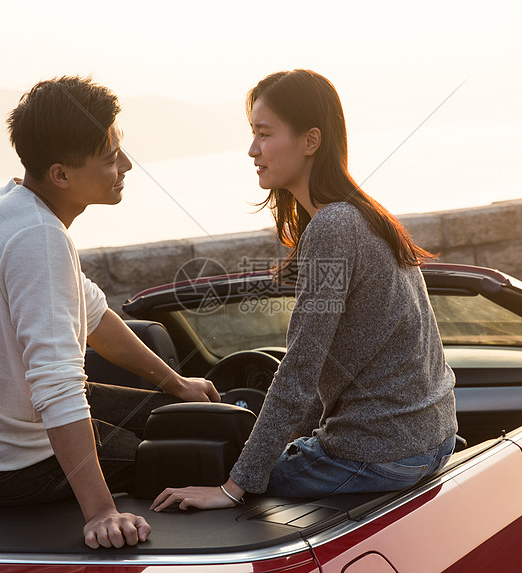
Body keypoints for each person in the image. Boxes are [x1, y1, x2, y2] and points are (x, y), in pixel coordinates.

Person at [151, 69, 457, 512]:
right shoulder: (360, 215)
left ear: (310, 141)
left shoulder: (333, 228)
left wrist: (232, 488)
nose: (252, 150)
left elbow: (301, 367)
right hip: (430, 439)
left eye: (264, 134)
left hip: (382, 455)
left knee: (208, 472)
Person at [0, 76, 219, 548]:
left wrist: (176, 383)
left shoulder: (7, 203)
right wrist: (102, 512)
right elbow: (58, 385)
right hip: (15, 465)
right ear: (62, 174)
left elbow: (91, 313)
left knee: (186, 412)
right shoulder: (38, 237)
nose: (126, 164)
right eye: (111, 158)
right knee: (205, 454)